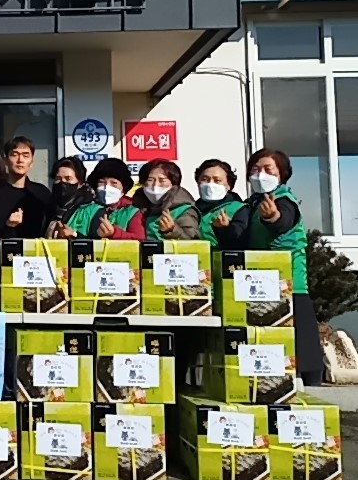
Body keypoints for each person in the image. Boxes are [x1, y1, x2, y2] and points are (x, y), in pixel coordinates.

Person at [213, 148, 321, 386]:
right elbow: (239, 239)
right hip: (260, 281)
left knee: (300, 335)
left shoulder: (285, 199)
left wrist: (273, 217)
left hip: (288, 280)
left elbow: (284, 221)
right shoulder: (250, 205)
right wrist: (224, 230)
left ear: (281, 174)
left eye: (267, 169)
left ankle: (313, 385)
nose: (260, 174)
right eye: (255, 169)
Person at [133, 158, 200, 240]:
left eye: (162, 180)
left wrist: (173, 230)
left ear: (173, 183)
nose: (155, 185)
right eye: (150, 180)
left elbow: (193, 239)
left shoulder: (184, 210)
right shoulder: (134, 208)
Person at [3, 136, 52, 238]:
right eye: (15, 155)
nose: (20, 160)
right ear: (6, 160)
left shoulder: (42, 193)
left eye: (25, 156)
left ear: (32, 162)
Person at [44, 157, 105, 239]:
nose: (62, 182)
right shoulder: (46, 208)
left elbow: (98, 242)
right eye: (58, 179)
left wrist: (75, 236)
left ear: (80, 183)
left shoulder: (94, 211)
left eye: (68, 179)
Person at [87, 158, 145, 240]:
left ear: (123, 188)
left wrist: (114, 233)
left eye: (114, 183)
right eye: (102, 182)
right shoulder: (86, 210)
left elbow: (139, 237)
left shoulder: (132, 212)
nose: (107, 187)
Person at [194, 159, 246, 249]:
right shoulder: (191, 208)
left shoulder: (239, 209)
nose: (210, 184)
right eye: (204, 179)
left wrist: (224, 229)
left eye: (217, 180)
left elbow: (241, 242)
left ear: (229, 185)